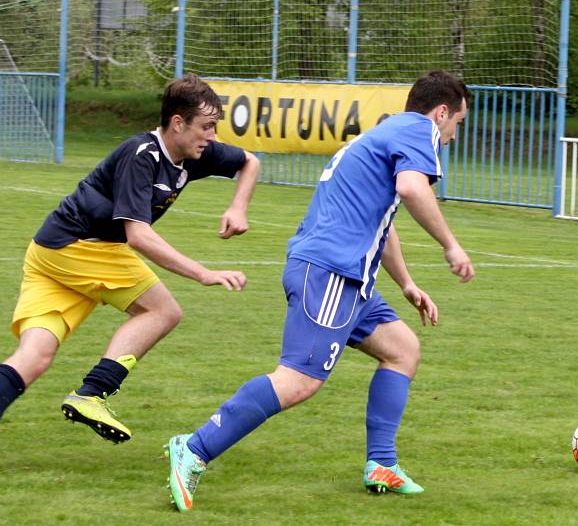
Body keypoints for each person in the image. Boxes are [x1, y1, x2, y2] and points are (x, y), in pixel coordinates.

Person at [165, 70, 475, 512]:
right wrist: (451, 245)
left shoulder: (385, 132)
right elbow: (411, 188)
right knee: (298, 381)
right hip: (331, 273)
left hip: (343, 275)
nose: (452, 136)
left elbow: (381, 224)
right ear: (441, 112)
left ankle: (381, 464)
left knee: (403, 349)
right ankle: (194, 448)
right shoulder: (417, 129)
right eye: (457, 124)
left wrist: (406, 283)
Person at [0, 74, 261, 481]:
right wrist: (203, 273)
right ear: (178, 123)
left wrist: (239, 207)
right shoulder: (142, 155)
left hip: (51, 253)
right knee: (162, 311)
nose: (212, 136)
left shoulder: (196, 154)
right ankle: (93, 393)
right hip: (80, 247)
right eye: (206, 127)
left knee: (35, 356)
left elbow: (250, 161)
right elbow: (137, 235)